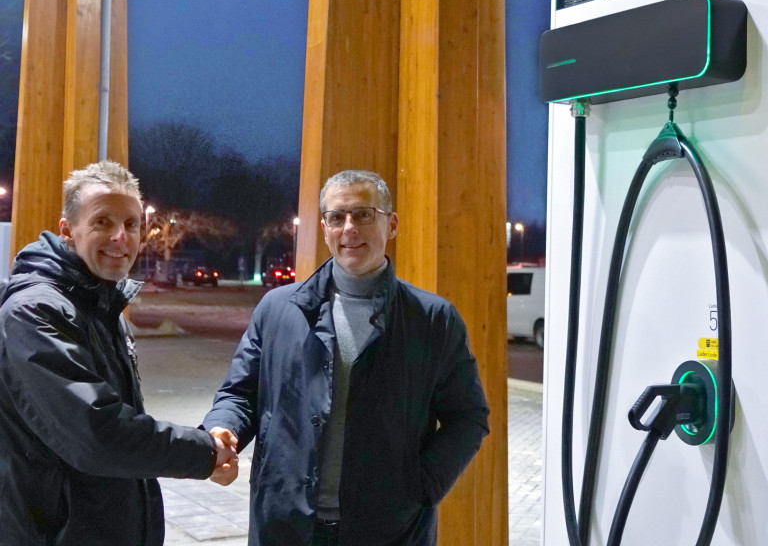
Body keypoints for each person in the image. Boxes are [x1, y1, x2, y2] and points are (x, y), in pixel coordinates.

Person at [203, 169, 490, 546]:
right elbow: (239, 394)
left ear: (392, 225)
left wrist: (421, 488)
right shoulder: (278, 309)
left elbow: (468, 417)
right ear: (324, 228)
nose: (349, 228)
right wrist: (221, 433)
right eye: (337, 217)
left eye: (364, 214)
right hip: (284, 524)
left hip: (389, 531)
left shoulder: (432, 319)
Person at [0, 160, 237, 545]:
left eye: (131, 224)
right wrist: (204, 451)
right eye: (102, 222)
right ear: (68, 231)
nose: (121, 238)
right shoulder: (36, 310)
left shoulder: (99, 303)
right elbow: (96, 432)